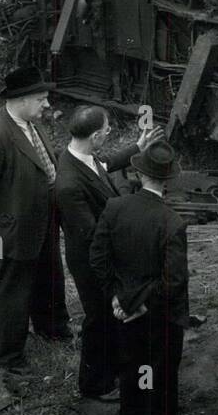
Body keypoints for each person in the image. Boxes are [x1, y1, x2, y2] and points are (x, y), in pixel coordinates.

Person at [0, 66, 70, 380]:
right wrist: (1, 222)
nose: (47, 105)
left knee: (49, 275)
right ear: (21, 99)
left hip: (43, 219)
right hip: (11, 229)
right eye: (41, 99)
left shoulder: (28, 123)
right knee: (11, 289)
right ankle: (8, 356)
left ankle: (52, 329)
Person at [56, 109, 164, 400]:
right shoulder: (68, 184)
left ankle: (112, 370)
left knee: (110, 317)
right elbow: (91, 234)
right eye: (106, 130)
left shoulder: (82, 156)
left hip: (102, 254)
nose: (109, 132)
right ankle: (94, 385)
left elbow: (104, 164)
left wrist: (137, 148)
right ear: (95, 136)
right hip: (92, 260)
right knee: (98, 318)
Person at [90, 140, 191, 415]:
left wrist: (116, 298)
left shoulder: (115, 208)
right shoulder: (172, 222)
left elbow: (97, 258)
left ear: (139, 173)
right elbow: (174, 280)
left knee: (131, 365)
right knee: (159, 370)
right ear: (168, 181)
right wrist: (144, 306)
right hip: (159, 314)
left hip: (123, 308)